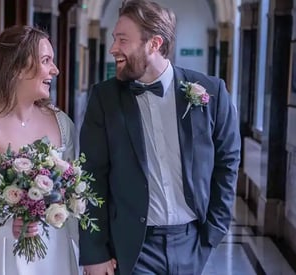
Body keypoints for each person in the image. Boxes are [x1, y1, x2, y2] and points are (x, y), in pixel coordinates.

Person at [79, 1, 241, 274]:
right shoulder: (104, 99)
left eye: (122, 40)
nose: (113, 49)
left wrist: (213, 231)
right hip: (133, 246)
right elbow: (92, 176)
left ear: (154, 44)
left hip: (192, 242)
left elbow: (228, 162)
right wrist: (95, 252)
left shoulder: (212, 93)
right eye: (113, 39)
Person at [0, 25, 81, 275]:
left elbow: (73, 193)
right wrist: (10, 223)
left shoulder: (62, 123)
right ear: (18, 68)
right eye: (46, 60)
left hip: (52, 255)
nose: (56, 69)